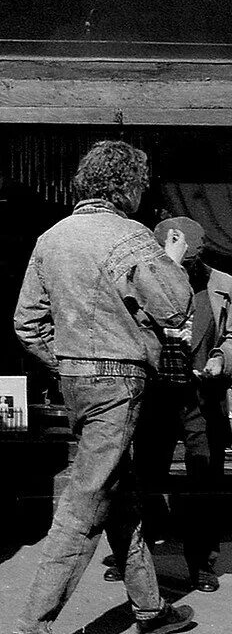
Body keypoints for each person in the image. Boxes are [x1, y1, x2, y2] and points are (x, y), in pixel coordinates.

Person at [7, 141, 196, 634]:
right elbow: (176, 307)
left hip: (76, 380)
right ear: (127, 186)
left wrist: (67, 363)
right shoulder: (131, 237)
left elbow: (27, 324)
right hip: (119, 382)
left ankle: (150, 609)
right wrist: (173, 260)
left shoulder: (52, 237)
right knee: (85, 503)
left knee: (119, 490)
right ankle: (32, 632)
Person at [103, 217, 231, 593]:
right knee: (144, 478)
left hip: (202, 397)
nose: (187, 268)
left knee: (203, 479)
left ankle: (201, 562)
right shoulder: (140, 280)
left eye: (192, 262)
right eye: (180, 260)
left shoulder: (222, 286)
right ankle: (133, 560)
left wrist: (222, 358)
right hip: (155, 393)